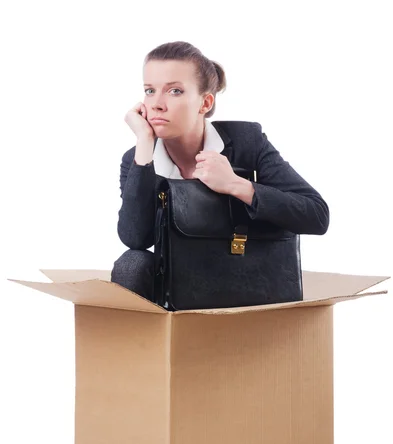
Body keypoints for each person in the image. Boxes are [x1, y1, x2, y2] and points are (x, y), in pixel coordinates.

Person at [111, 41, 330, 303]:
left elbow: (316, 215)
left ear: (205, 103)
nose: (157, 104)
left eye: (175, 91)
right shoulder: (137, 159)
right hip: (180, 285)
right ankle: (143, 344)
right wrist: (144, 144)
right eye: (149, 90)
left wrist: (237, 185)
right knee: (132, 264)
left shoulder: (248, 142)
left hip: (244, 274)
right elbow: (135, 238)